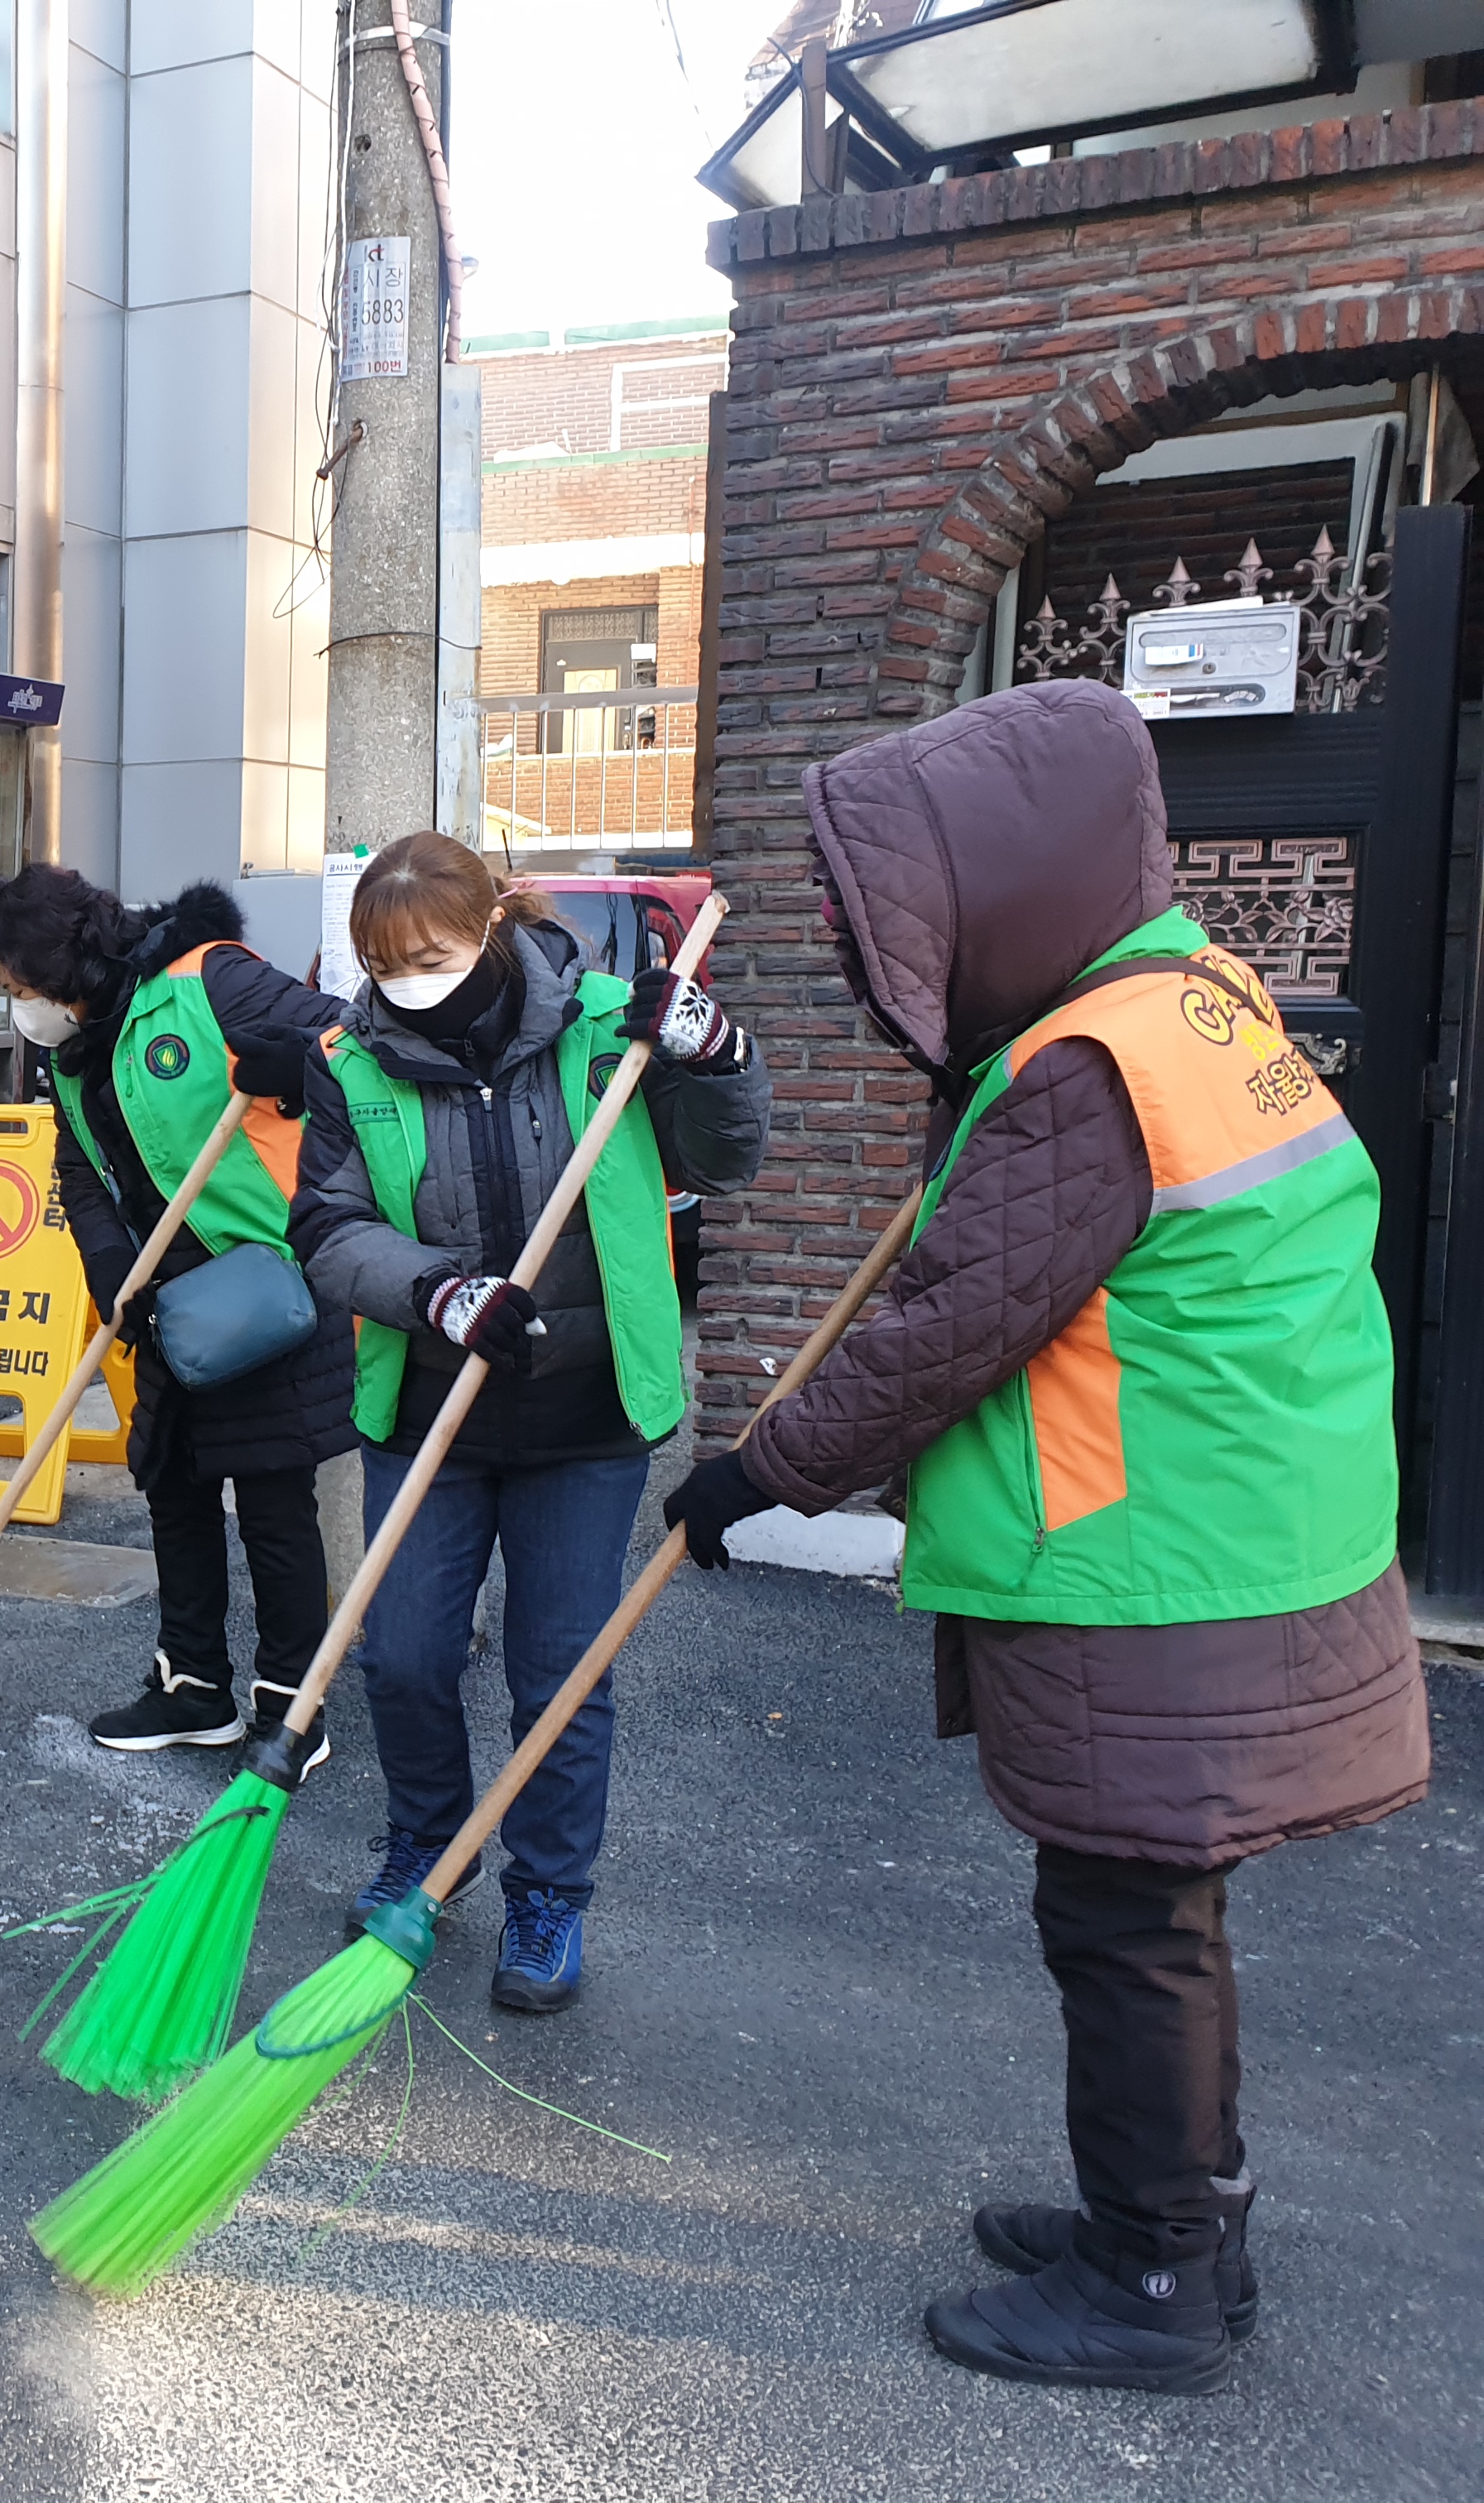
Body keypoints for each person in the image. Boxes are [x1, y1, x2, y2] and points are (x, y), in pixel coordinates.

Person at [661, 679, 1427, 2394]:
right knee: (1159, 1914)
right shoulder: (1196, 1001)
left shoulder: (1089, 1068)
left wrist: (755, 1474)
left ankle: (1151, 2279)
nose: (892, 967)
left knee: (1128, 1925)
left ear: (1006, 888)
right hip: (1244, 1544)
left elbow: (946, 1327)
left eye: (915, 920)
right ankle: (1172, 2226)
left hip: (1157, 1571)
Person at [292, 833, 770, 2011]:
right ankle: (426, 1850)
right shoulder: (351, 1062)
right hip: (430, 1406)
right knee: (402, 1656)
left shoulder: (611, 1021)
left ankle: (547, 1894)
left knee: (560, 1675)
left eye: (434, 953)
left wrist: (721, 1057)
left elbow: (729, 1158)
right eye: (386, 960)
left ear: (493, 927)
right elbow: (328, 1228)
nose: (411, 977)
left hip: (589, 1413)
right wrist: (441, 1295)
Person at [0, 867, 350, 1773]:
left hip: (259, 1282)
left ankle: (293, 1704)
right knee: (174, 1483)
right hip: (160, 1299)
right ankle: (192, 1687)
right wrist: (107, 1266)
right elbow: (79, 1165)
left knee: (275, 1503)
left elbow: (348, 1042)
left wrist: (301, 1069)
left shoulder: (209, 980)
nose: (22, 1007)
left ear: (69, 959)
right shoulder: (78, 1043)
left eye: (22, 985)